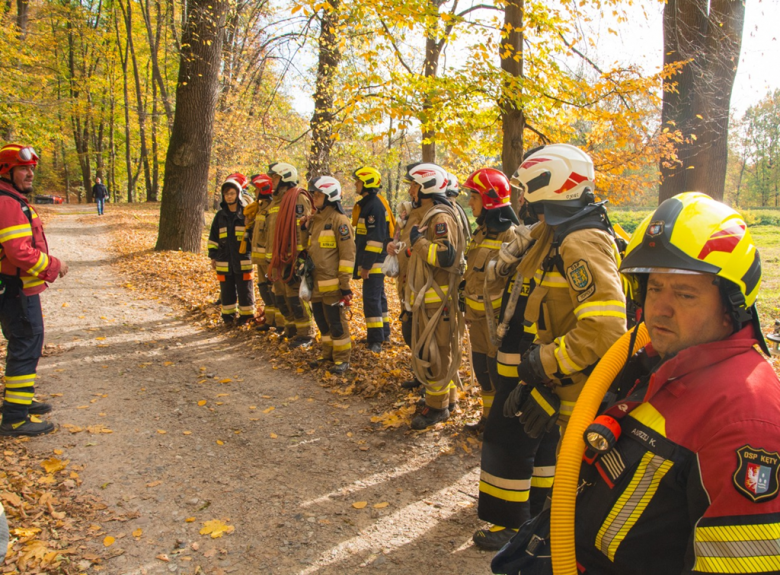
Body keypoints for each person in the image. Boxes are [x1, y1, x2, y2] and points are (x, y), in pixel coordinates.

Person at [496, 192, 780, 575]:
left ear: (733, 305)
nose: (660, 308)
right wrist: (554, 389)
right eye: (655, 287)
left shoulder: (745, 420)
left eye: (684, 293)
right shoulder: (656, 362)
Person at [0, 143, 68, 437]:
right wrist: (53, 265)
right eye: (24, 169)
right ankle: (14, 418)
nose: (30, 174)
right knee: (26, 345)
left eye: (31, 169)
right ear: (7, 170)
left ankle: (21, 401)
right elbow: (19, 253)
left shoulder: (13, 199)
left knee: (27, 343)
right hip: (16, 290)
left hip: (19, 288)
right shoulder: (8, 203)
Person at [404, 163, 468, 430]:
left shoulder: (440, 218)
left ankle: (437, 408)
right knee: (438, 349)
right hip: (430, 298)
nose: (410, 190)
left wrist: (418, 241)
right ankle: (447, 401)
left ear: (427, 186)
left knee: (439, 352)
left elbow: (445, 257)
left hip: (438, 298)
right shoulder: (433, 213)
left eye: (414, 185)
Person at [461, 168, 518, 433]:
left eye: (474, 197)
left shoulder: (512, 237)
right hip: (477, 322)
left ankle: (500, 426)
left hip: (498, 327)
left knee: (498, 375)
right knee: (483, 372)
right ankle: (487, 420)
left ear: (489, 199)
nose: (470, 203)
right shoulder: (481, 232)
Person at [305, 176, 356, 374]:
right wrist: (304, 226)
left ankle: (342, 359)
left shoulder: (340, 221)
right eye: (314, 194)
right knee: (321, 320)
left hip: (332, 284)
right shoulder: (316, 220)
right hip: (316, 283)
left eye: (318, 195)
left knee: (336, 322)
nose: (314, 198)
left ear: (329, 196)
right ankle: (328, 354)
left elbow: (347, 255)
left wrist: (344, 284)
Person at [267, 162, 314, 348]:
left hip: (292, 259)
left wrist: (299, 257)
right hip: (278, 260)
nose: (272, 181)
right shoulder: (275, 202)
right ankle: (292, 329)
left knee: (295, 298)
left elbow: (301, 230)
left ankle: (306, 334)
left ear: (285, 178)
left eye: (276, 178)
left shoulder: (298, 199)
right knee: (281, 297)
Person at [207, 173, 255, 326]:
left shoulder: (246, 213)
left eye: (232, 193)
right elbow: (213, 238)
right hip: (224, 261)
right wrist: (213, 256)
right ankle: (228, 318)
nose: (229, 196)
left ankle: (246, 317)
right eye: (226, 194)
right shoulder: (220, 216)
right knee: (226, 290)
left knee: (245, 290)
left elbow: (255, 236)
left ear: (238, 194)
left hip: (243, 260)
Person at [352, 166, 391, 352]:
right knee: (379, 297)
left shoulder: (373, 206)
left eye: (358, 181)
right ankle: (384, 332)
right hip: (373, 260)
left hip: (374, 261)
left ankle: (375, 340)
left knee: (371, 299)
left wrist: (366, 266)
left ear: (367, 183)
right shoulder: (368, 204)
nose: (355, 184)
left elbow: (375, 240)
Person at [247, 174, 278, 331]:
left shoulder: (272, 209)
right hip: (259, 260)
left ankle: (277, 322)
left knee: (272, 290)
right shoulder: (262, 207)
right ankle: (269, 321)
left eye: (257, 189)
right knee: (264, 289)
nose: (255, 193)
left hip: (267, 259)